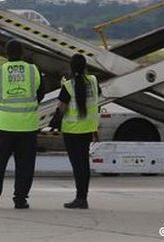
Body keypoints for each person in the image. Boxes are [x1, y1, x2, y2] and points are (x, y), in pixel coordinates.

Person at [0, 39, 44, 209]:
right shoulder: (34, 70)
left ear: (6, 53)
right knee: (25, 165)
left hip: (3, 124)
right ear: (23, 52)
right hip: (27, 125)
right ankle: (20, 199)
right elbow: (40, 94)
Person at [53, 53, 101, 209]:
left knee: (77, 165)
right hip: (87, 129)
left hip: (72, 132)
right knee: (84, 164)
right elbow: (98, 96)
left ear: (71, 68)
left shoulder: (68, 86)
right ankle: (83, 197)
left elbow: (62, 107)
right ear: (85, 66)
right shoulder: (93, 81)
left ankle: (80, 198)